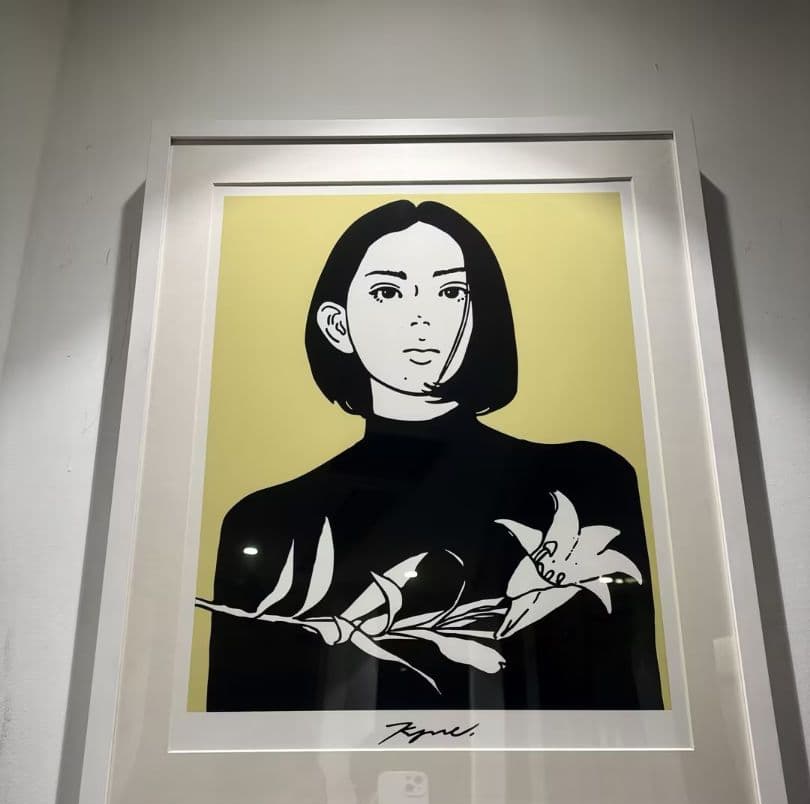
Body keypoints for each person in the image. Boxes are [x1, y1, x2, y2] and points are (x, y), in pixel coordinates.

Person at [204, 200, 663, 711]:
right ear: (337, 325)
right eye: (388, 292)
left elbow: (624, 690)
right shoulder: (268, 521)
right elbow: (244, 720)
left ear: (479, 316)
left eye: (451, 292)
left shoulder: (584, 479)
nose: (422, 318)